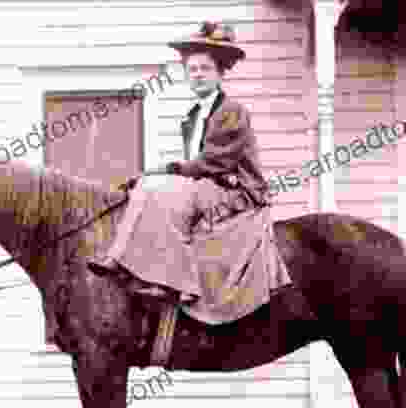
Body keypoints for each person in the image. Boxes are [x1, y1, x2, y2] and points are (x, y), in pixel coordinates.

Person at [88, 21, 276, 304]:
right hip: (209, 186)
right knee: (147, 188)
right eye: (192, 70)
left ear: (220, 73)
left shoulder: (231, 112)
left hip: (239, 192)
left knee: (174, 198)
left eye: (205, 69)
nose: (198, 75)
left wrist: (167, 170)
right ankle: (117, 259)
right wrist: (152, 176)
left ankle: (181, 285)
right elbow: (196, 169)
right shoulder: (193, 117)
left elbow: (213, 163)